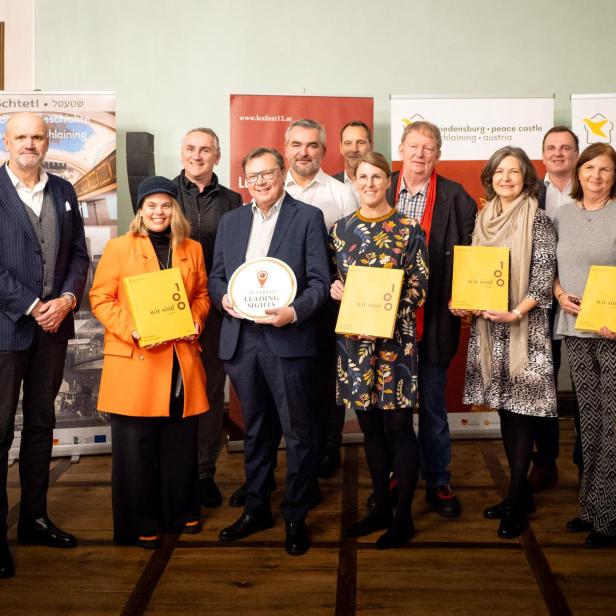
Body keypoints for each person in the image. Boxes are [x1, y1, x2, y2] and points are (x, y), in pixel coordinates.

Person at [209, 147, 330, 555]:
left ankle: (296, 515)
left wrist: (293, 312)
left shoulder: (308, 218)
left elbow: (319, 283)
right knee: (255, 431)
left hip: (287, 339)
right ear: (244, 181)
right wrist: (224, 298)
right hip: (242, 342)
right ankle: (257, 509)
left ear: (283, 174)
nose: (260, 182)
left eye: (268, 174)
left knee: (297, 432)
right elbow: (217, 278)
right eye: (252, 176)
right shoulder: (231, 221)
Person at [90, 176, 210, 549]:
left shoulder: (192, 248)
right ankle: (138, 522)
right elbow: (101, 299)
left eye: (166, 205)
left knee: (179, 442)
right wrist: (133, 329)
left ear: (176, 209)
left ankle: (180, 511)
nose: (159, 212)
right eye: (151, 205)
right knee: (135, 448)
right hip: (136, 358)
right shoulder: (119, 248)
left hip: (179, 359)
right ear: (140, 210)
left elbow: (202, 295)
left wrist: (196, 319)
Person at [0, 112, 89, 579]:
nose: (30, 143)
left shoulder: (64, 191)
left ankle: (34, 519)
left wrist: (69, 298)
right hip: (7, 330)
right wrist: (34, 304)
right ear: (7, 141)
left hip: (54, 330)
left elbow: (77, 254)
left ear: (47, 141)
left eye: (37, 136)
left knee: (40, 426)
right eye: (21, 136)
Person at [453, 146, 557, 539]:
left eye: (514, 172)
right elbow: (474, 273)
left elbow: (543, 276)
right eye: (500, 172)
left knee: (521, 415)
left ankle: (515, 497)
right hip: (488, 330)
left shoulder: (540, 219)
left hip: (523, 330)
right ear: (490, 178)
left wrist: (516, 312)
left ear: (525, 177)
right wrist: (463, 301)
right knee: (504, 412)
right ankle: (519, 494)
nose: (506, 178)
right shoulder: (483, 219)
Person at [330, 152, 428, 548]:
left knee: (399, 429)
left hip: (394, 348)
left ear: (388, 181)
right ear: (354, 181)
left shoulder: (408, 228)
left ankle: (403, 515)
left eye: (376, 177)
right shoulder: (340, 230)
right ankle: (381, 507)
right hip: (353, 348)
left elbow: (419, 286)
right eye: (362, 177)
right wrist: (336, 291)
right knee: (369, 428)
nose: (369, 184)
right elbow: (336, 283)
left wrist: (383, 315)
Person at [386, 120, 476, 517]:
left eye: (429, 148)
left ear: (437, 155)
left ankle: (438, 479)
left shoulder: (456, 198)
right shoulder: (379, 187)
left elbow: (474, 257)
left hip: (435, 318)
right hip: (385, 323)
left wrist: (470, 295)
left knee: (434, 405)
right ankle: (396, 472)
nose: (420, 154)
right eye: (414, 146)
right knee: (392, 406)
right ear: (401, 148)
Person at [284, 118, 358, 479]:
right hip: (282, 303)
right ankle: (300, 452)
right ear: (286, 149)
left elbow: (355, 250)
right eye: (297, 144)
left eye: (312, 145)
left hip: (329, 301)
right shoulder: (271, 189)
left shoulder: (341, 193)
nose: (304, 152)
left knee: (328, 378)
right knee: (291, 379)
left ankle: (329, 448)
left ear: (324, 151)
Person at [174, 127, 242, 508]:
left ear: (218, 156)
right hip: (169, 311)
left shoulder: (233, 200)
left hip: (216, 312)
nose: (197, 156)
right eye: (190, 149)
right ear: (181, 153)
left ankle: (203, 473)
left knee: (210, 391)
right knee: (174, 391)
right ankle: (174, 469)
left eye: (205, 150)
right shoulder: (163, 194)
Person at [552, 143, 616, 548]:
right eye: (589, 168)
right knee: (588, 422)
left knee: (614, 424)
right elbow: (552, 267)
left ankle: (609, 517)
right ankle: (590, 506)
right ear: (578, 172)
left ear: (614, 176)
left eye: (605, 170)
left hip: (612, 333)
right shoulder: (563, 214)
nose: (595, 175)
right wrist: (558, 292)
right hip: (576, 329)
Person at [528, 126, 580, 492]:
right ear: (543, 154)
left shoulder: (593, 188)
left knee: (584, 384)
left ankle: (588, 461)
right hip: (541, 302)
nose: (558, 153)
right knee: (544, 383)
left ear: (577, 153)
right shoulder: (532, 191)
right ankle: (545, 461)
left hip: (585, 301)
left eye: (566, 148)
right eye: (551, 148)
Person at [333, 120, 374, 200]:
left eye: (360, 143)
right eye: (348, 143)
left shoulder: (386, 185)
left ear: (371, 146)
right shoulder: (330, 185)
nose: (354, 149)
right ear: (341, 148)